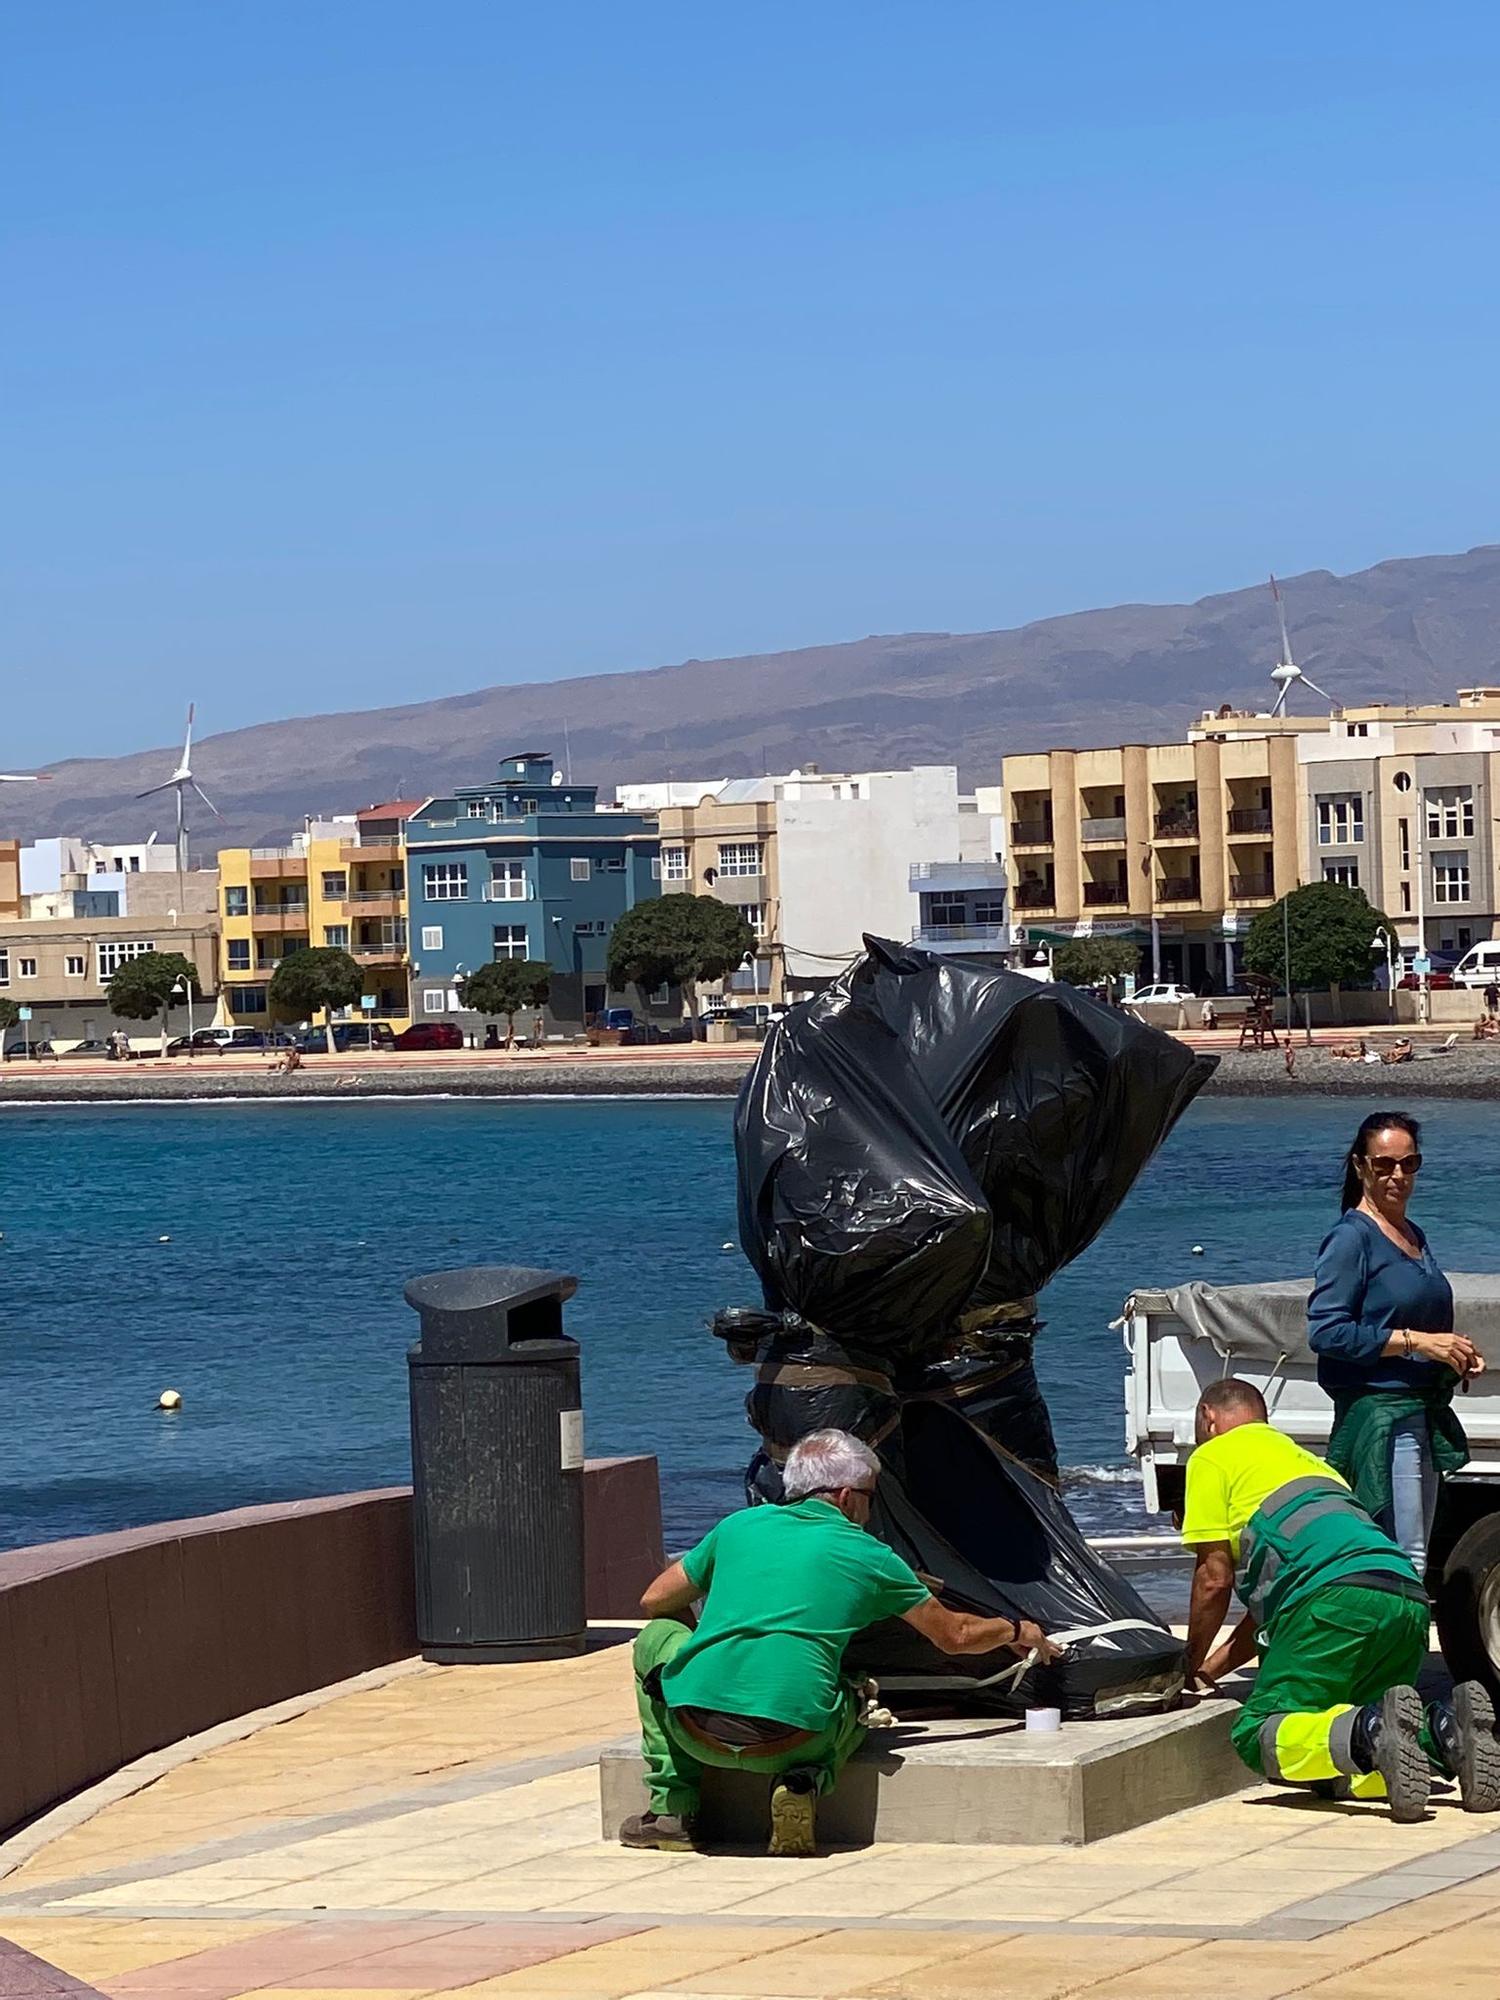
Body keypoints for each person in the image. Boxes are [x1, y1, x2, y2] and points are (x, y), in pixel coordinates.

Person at [622, 1429, 1059, 1857]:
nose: (870, 1512)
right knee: (853, 1691)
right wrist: (1017, 1630)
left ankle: (672, 1811)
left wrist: (711, 1653)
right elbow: (955, 1636)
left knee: (656, 1638)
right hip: (792, 1740)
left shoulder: (738, 1526)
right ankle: (804, 1780)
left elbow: (655, 1599)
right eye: (872, 1497)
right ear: (847, 1496)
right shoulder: (872, 1556)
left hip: (697, 1731)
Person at [1182, 1379, 1499, 1820]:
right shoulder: (1311, 1465)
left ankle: (1371, 1731)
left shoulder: (1212, 1456)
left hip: (1333, 1602)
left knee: (1260, 1732)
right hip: (1404, 1597)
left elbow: (1213, 1580)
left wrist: (1185, 1665)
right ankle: (1445, 1732)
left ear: (1209, 1419)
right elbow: (1278, 1610)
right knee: (1357, 1744)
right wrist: (1210, 1668)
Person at [1308, 1113, 1481, 1575]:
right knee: (1404, 1559)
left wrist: (1454, 1352)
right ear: (1360, 1167)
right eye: (1384, 1165)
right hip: (1381, 1419)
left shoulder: (1412, 1235)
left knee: (1413, 1555)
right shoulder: (1351, 1239)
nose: (1398, 1176)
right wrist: (1417, 1342)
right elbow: (1326, 1331)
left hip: (1420, 1412)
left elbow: (1414, 1319)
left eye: (1409, 1164)